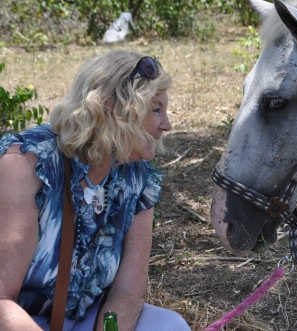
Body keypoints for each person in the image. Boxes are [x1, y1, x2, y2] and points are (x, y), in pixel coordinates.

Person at [0, 50, 191, 331]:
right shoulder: (28, 162)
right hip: (18, 320)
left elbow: (127, 292)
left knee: (169, 326)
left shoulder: (137, 178)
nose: (167, 125)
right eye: (155, 109)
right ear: (113, 109)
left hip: (81, 318)